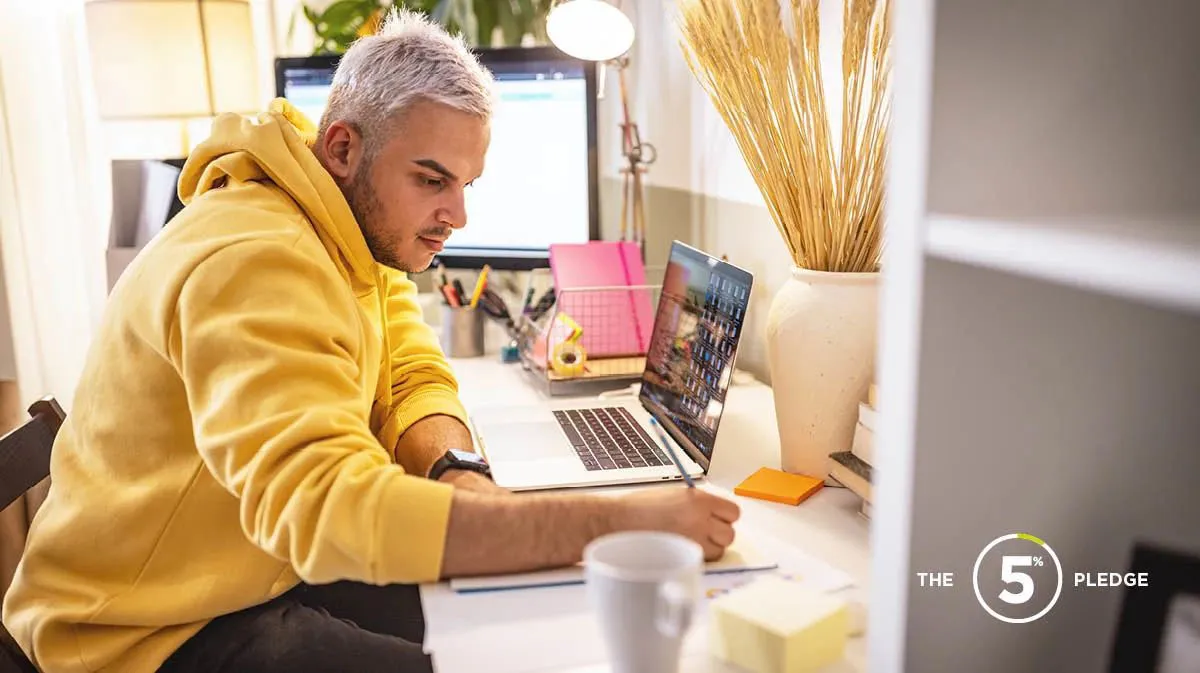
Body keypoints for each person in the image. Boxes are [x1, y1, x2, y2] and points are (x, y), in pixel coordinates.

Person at [2, 9, 740, 673]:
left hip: (238, 567)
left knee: (502, 611)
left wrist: (458, 472)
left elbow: (411, 364)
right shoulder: (259, 256)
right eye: (431, 180)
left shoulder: (342, 224)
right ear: (344, 146)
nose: (457, 214)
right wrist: (619, 521)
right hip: (135, 636)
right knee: (489, 651)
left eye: (465, 184)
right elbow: (327, 507)